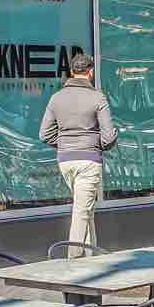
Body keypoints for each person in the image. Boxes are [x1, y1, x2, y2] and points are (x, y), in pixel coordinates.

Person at [39, 52, 116, 247]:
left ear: (72, 72)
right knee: (81, 211)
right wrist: (102, 141)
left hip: (65, 161)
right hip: (89, 161)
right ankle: (73, 262)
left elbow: (44, 134)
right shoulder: (98, 98)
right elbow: (108, 138)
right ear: (90, 73)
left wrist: (65, 143)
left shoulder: (56, 98)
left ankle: (90, 256)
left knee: (85, 209)